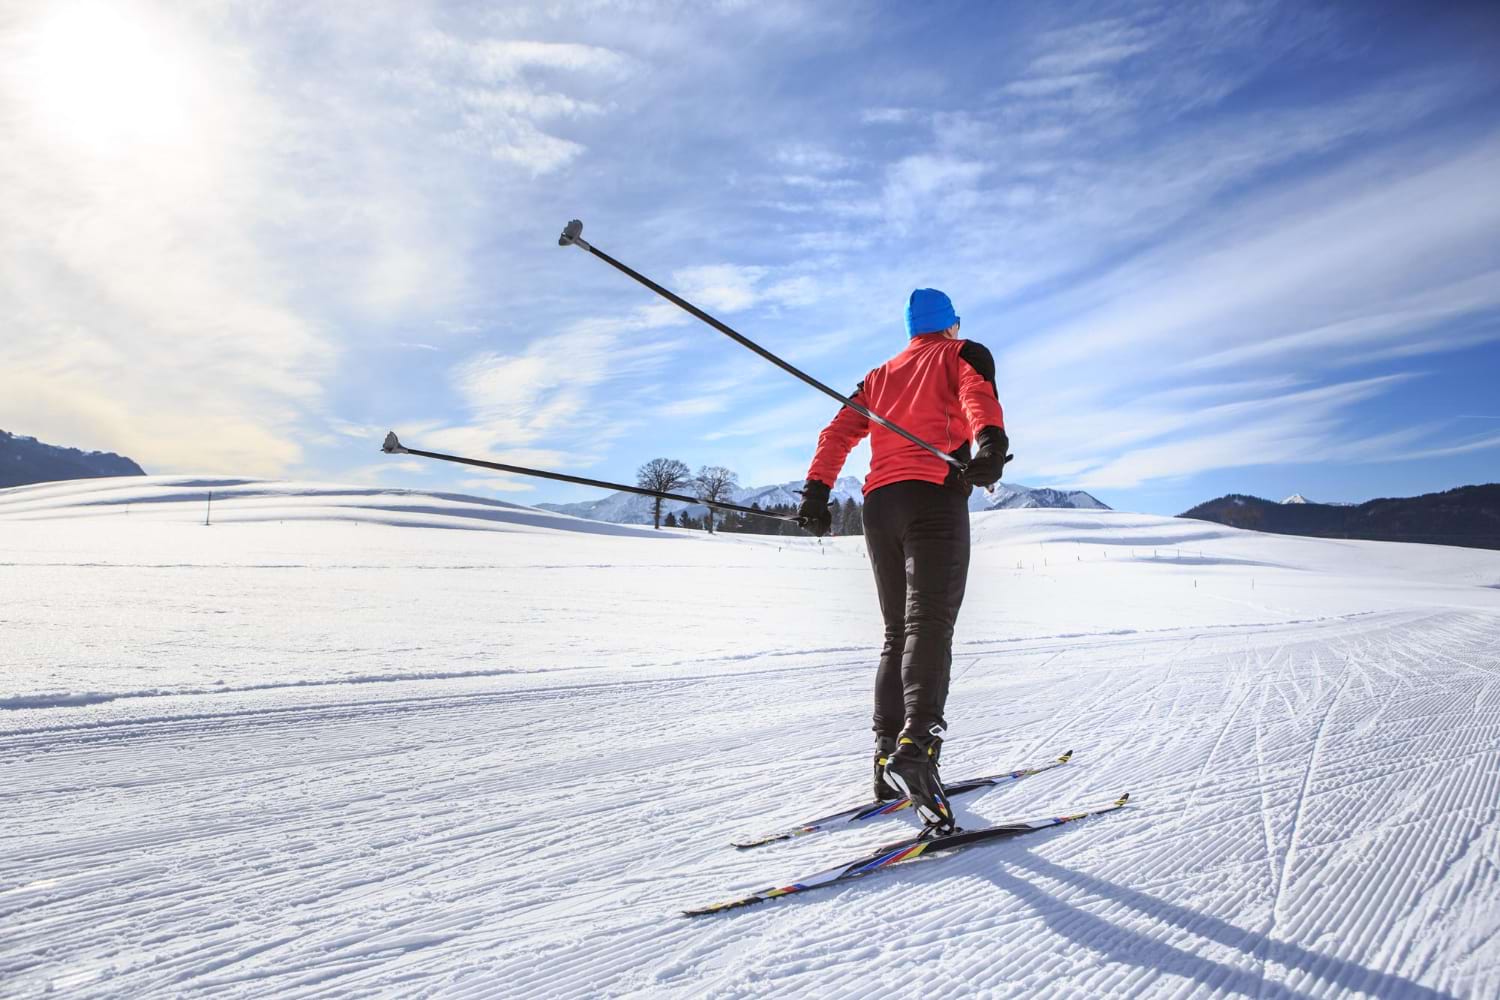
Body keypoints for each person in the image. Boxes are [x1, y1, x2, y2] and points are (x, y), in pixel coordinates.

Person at [797, 288, 1009, 832]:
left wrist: (816, 493)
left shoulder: (878, 375)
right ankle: (917, 748)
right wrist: (989, 445)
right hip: (932, 496)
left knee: (898, 631)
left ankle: (886, 757)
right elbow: (975, 397)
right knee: (929, 624)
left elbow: (839, 431)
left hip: (878, 506)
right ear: (951, 325)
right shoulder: (962, 353)